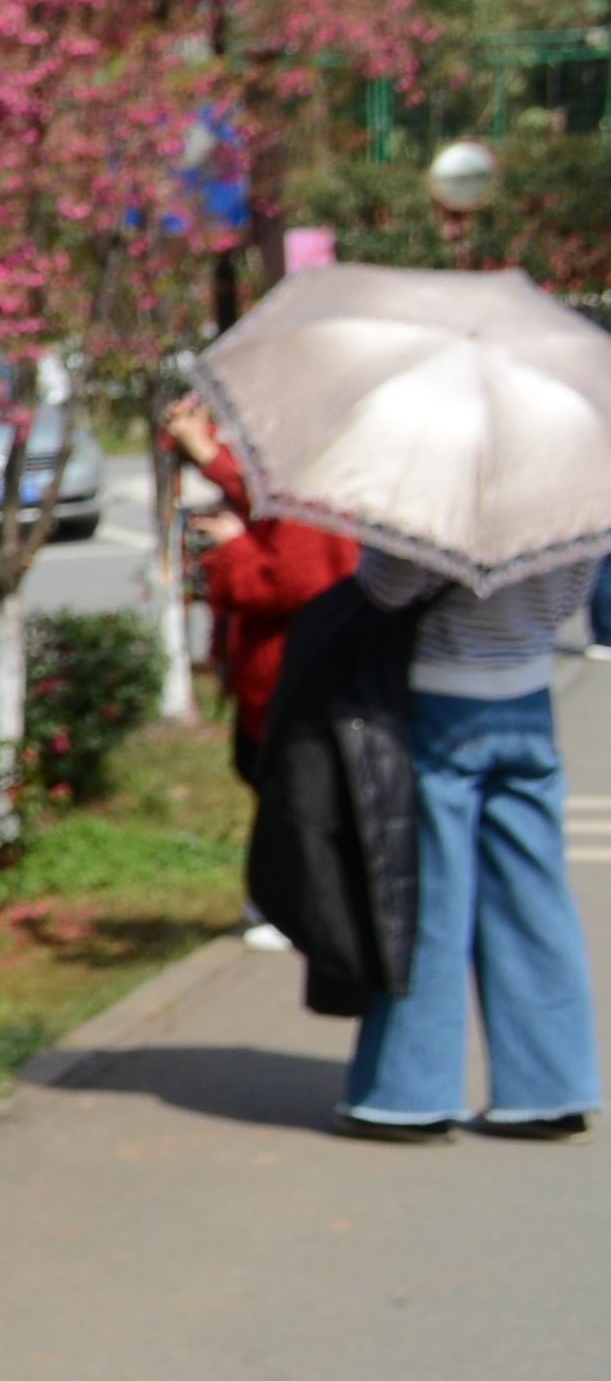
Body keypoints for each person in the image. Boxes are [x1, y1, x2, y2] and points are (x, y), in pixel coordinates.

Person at [330, 539, 600, 1143]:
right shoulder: (581, 489)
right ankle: (551, 1089)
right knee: (537, 899)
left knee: (427, 896)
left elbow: (386, 589)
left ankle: (409, 1093)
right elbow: (568, 602)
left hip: (437, 692)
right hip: (529, 694)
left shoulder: (440, 487)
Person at [167, 395, 362, 771]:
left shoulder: (313, 467)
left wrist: (234, 548)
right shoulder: (310, 454)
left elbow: (288, 582)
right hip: (288, 687)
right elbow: (268, 499)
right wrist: (206, 451)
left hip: (296, 693)